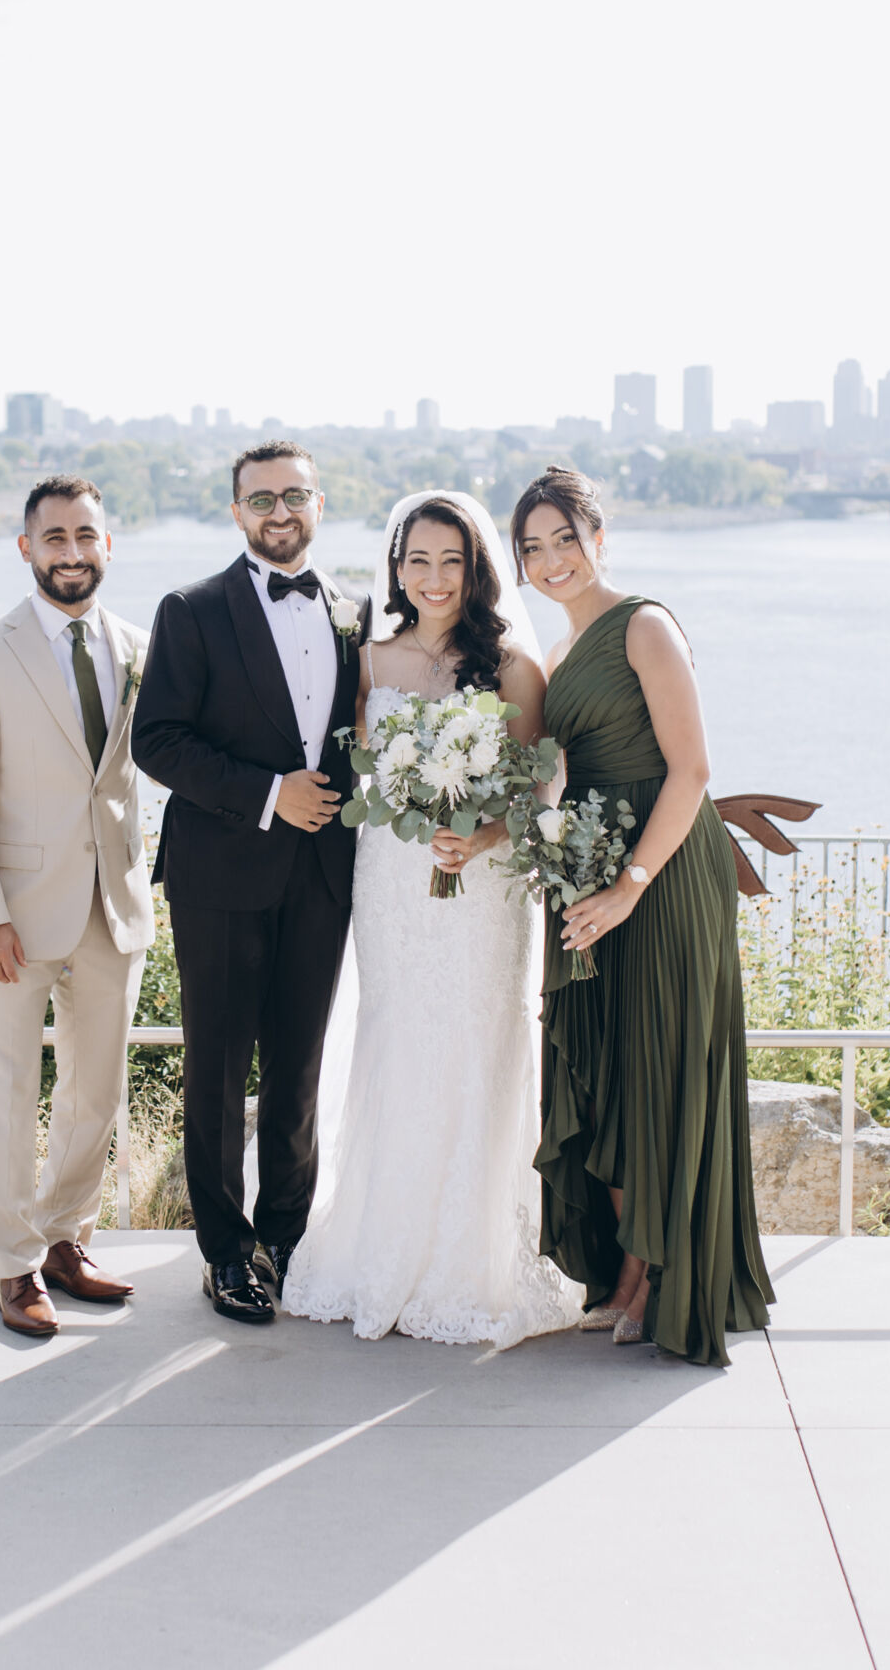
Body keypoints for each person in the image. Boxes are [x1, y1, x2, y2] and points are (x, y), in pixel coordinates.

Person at [283, 492, 582, 1346]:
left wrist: (481, 835)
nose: (436, 577)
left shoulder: (513, 667)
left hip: (482, 893)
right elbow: (352, 767)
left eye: (453, 560)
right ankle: (382, 1247)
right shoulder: (368, 662)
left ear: (477, 569)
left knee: (477, 1044)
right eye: (419, 560)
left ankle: (470, 1260)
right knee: (399, 1039)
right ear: (397, 568)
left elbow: (541, 786)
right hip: (390, 882)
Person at [511, 464, 773, 1366]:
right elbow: (545, 780)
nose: (552, 560)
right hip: (590, 877)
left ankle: (661, 1276)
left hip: (659, 874)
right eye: (533, 547)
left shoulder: (645, 625)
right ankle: (625, 1269)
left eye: (565, 539)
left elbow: (691, 771)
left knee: (657, 1068)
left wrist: (628, 885)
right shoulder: (553, 659)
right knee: (603, 1072)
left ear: (598, 536)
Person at [131, 441, 369, 1324]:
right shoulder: (190, 611)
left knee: (299, 1072)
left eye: (294, 496)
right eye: (261, 498)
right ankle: (226, 1254)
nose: (279, 512)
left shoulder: (357, 616)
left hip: (324, 874)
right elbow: (157, 741)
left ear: (319, 504)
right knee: (219, 1070)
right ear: (236, 512)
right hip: (221, 873)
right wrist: (271, 793)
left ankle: (285, 1242)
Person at [0, 475, 155, 1337]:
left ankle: (66, 1240)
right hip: (13, 920)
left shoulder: (139, 647)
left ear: (108, 545)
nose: (72, 552)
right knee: (5, 1093)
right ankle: (13, 1265)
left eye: (86, 536)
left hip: (112, 908)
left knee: (96, 1093)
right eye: (54, 537)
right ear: (26, 548)